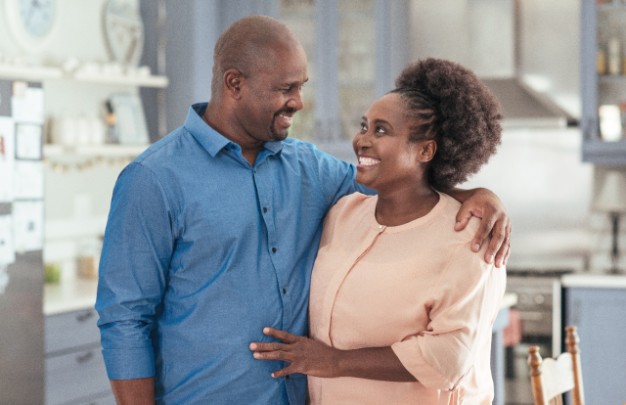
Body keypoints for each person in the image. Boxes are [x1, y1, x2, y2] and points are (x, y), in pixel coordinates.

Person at [95, 16, 510, 405]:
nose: (299, 102)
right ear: (234, 83)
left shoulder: (309, 168)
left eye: (302, 87)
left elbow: (399, 183)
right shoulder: (154, 179)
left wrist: (477, 192)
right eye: (285, 89)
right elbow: (125, 319)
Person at [250, 58, 506, 404]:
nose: (362, 141)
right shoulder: (343, 214)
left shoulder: (468, 238)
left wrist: (332, 362)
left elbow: (449, 358)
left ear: (426, 150)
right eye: (364, 126)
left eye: (381, 130)